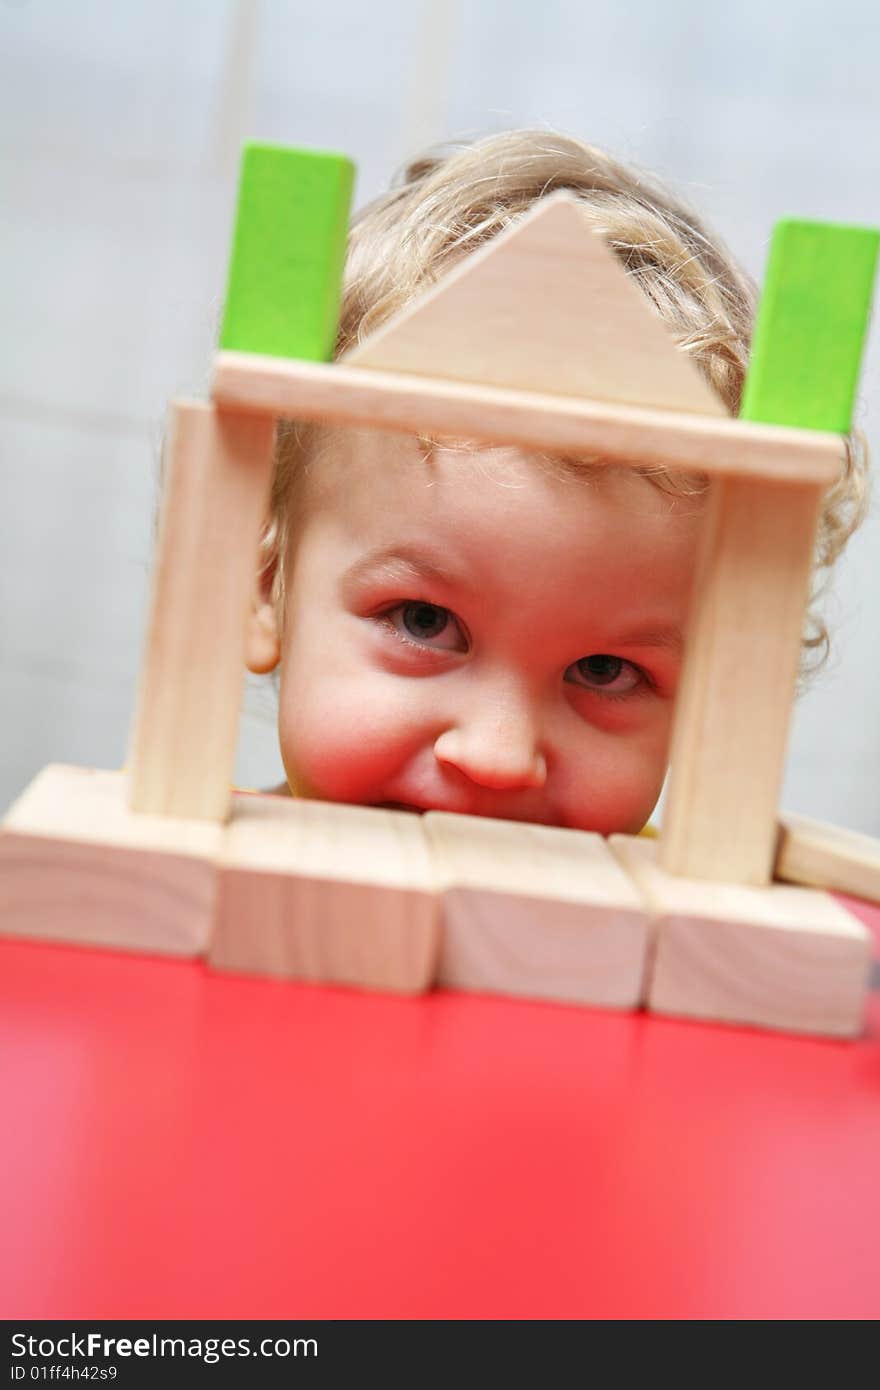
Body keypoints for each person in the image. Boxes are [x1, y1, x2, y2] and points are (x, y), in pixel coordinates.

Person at [241, 130, 866, 834]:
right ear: (264, 579)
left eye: (603, 670)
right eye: (425, 622)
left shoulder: (683, 936)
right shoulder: (162, 889)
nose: (498, 756)